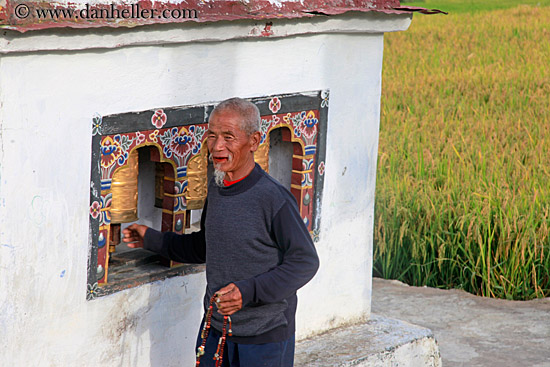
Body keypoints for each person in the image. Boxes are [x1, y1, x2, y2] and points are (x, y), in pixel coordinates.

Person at [122, 97, 319, 367]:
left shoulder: (274, 199)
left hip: (263, 339)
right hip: (215, 332)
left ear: (254, 141)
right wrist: (152, 239)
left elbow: (305, 262)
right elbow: (206, 246)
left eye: (229, 136)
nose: (217, 146)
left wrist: (248, 291)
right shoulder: (217, 189)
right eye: (212, 136)